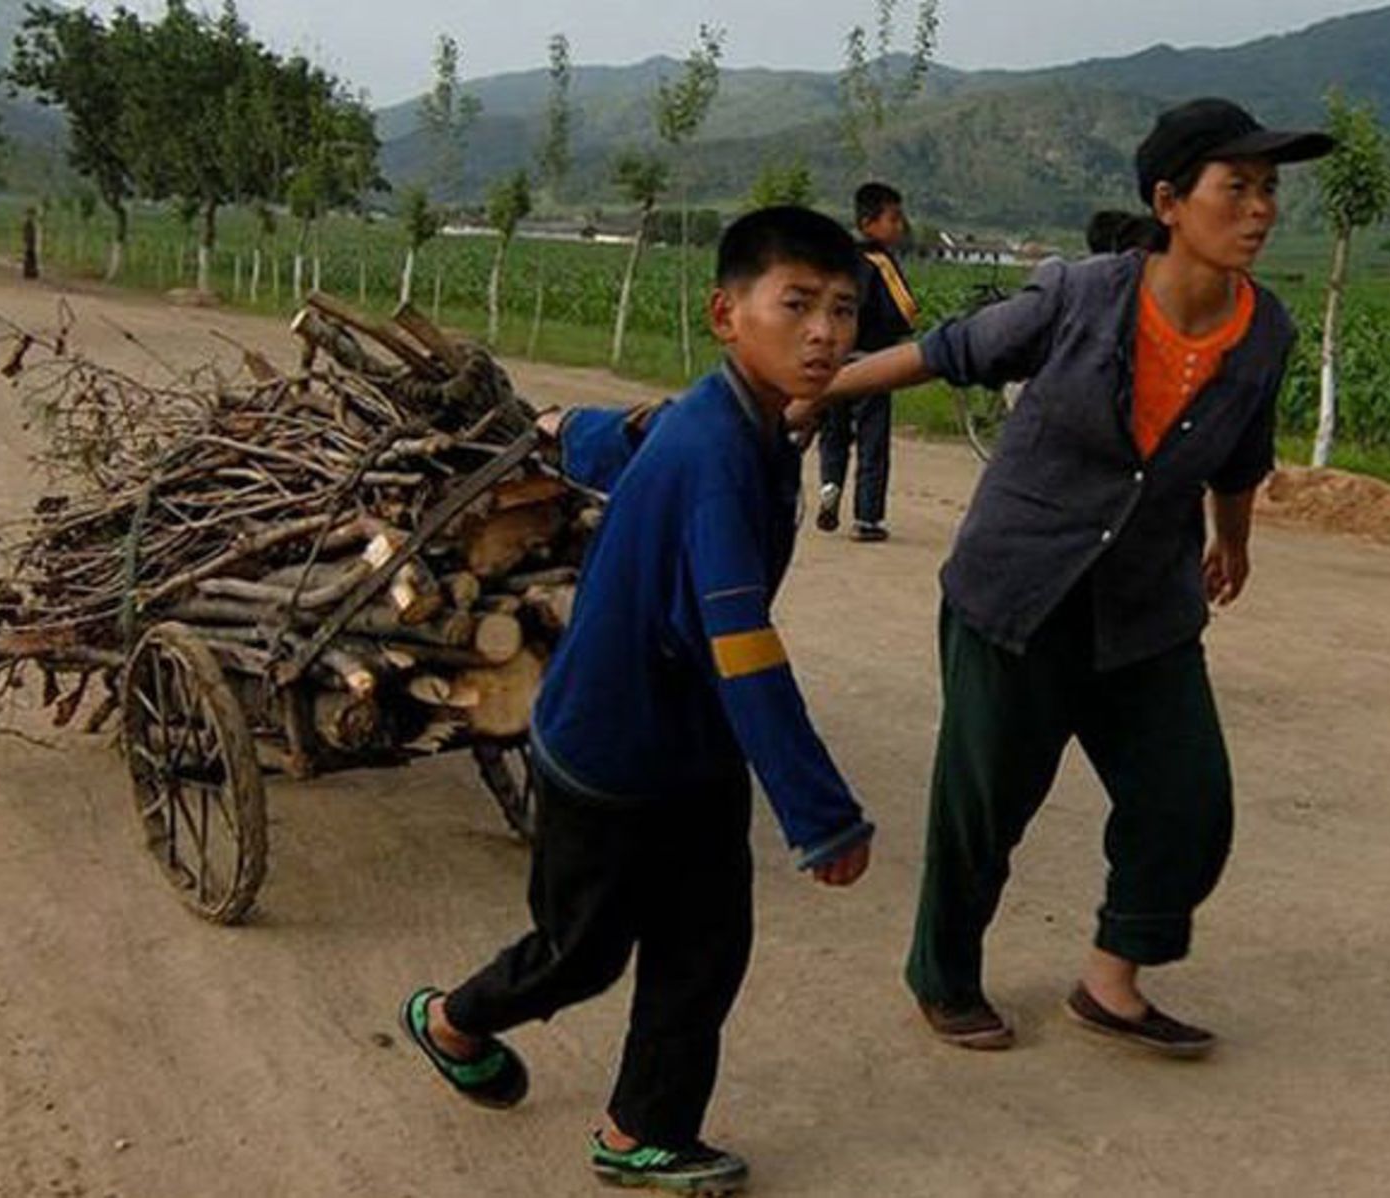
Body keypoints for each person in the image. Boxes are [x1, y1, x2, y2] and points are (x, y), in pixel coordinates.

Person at [818, 98, 1332, 1057]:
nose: (1261, 209)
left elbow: (1239, 456)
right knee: (988, 801)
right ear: (1171, 202)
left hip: (1145, 604)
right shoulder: (1081, 294)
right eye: (1239, 188)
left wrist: (1236, 539)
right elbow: (946, 352)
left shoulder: (1266, 335)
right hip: (1018, 589)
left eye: (1269, 191)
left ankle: (1111, 982)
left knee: (1188, 800)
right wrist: (811, 395)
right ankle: (944, 972)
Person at [400, 206, 875, 1196]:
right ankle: (451, 1017)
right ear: (727, 313)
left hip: (692, 747)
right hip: (611, 750)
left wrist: (564, 432)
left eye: (843, 309)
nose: (825, 332)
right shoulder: (716, 458)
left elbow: (630, 433)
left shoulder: (737, 414)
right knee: (580, 955)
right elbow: (746, 651)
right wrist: (822, 815)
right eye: (798, 305)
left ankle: (641, 1129)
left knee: (707, 944)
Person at [815, 182, 919, 543]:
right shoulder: (881, 262)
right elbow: (906, 309)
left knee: (835, 432)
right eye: (893, 218)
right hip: (872, 363)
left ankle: (830, 486)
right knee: (872, 439)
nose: (899, 226)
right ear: (869, 223)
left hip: (834, 362)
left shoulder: (838, 259)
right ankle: (868, 517)